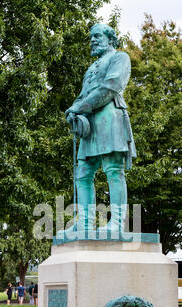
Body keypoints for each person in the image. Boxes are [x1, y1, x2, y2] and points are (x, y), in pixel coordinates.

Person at [58, 23, 136, 238]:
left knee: (113, 169)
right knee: (82, 173)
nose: (92, 40)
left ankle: (117, 223)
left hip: (110, 117)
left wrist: (79, 107)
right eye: (91, 37)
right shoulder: (92, 67)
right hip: (89, 123)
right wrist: (73, 110)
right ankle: (84, 223)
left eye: (97, 36)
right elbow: (83, 95)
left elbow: (110, 87)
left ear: (110, 38)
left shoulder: (120, 57)